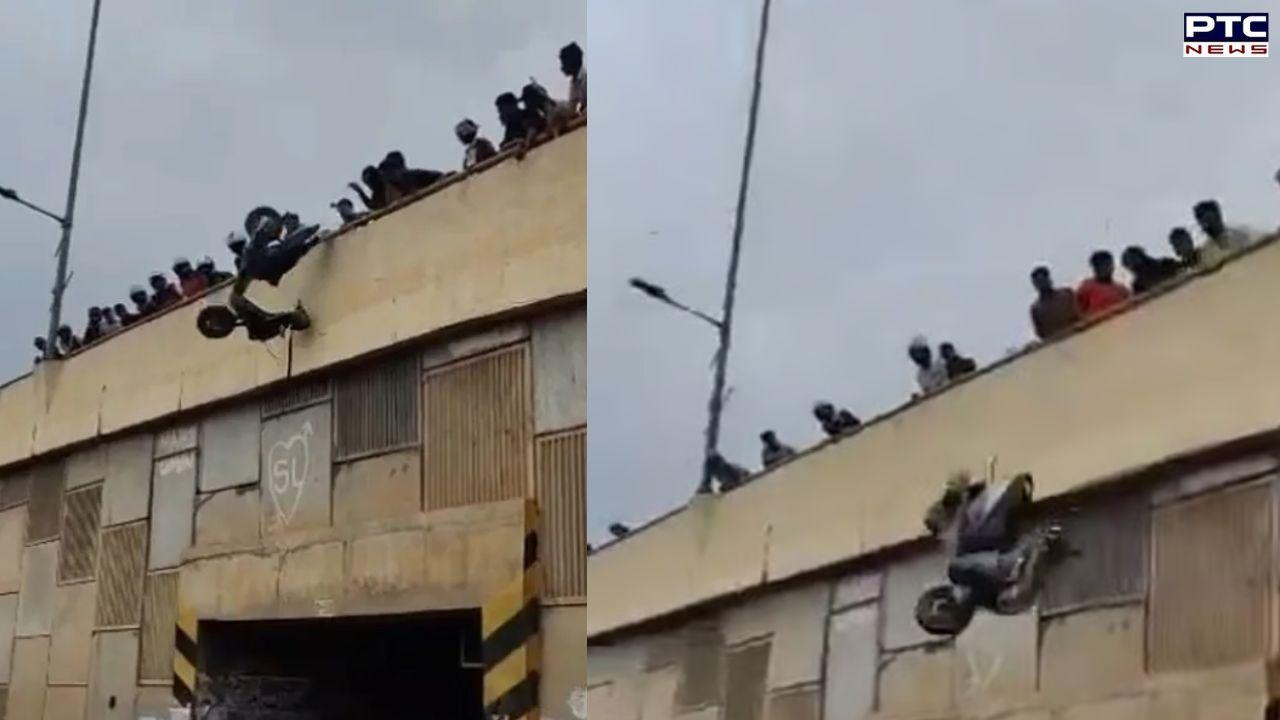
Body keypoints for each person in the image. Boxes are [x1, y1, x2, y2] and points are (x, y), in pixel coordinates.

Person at [918, 471, 1060, 633]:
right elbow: (1022, 594)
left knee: (958, 557)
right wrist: (1036, 554)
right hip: (1020, 550)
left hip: (1006, 535)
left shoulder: (959, 569)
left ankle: (966, 501)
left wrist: (955, 504)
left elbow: (951, 534)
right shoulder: (996, 601)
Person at [1194, 199, 1254, 267]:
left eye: (1207, 218)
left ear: (1218, 215)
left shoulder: (1242, 234)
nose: (1203, 223)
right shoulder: (1205, 253)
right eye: (1199, 217)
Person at [1028, 266, 1079, 341]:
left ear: (1049, 280)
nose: (1042, 284)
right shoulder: (1036, 309)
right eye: (1038, 282)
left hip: (1077, 336)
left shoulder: (1066, 294)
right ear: (1035, 285)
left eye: (1043, 280)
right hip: (1055, 344)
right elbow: (1040, 333)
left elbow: (1079, 314)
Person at [1075, 251, 1130, 319]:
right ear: (1094, 268)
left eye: (1107, 265)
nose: (1104, 268)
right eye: (1100, 265)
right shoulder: (1087, 287)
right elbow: (1079, 311)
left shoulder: (1122, 290)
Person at [378, 151, 445, 203]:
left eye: (389, 170)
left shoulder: (413, 175)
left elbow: (441, 176)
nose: (386, 175)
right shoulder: (391, 192)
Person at [560, 41, 586, 113]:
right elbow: (571, 109)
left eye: (564, 63)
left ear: (572, 61)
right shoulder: (574, 83)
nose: (562, 67)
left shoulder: (586, 79)